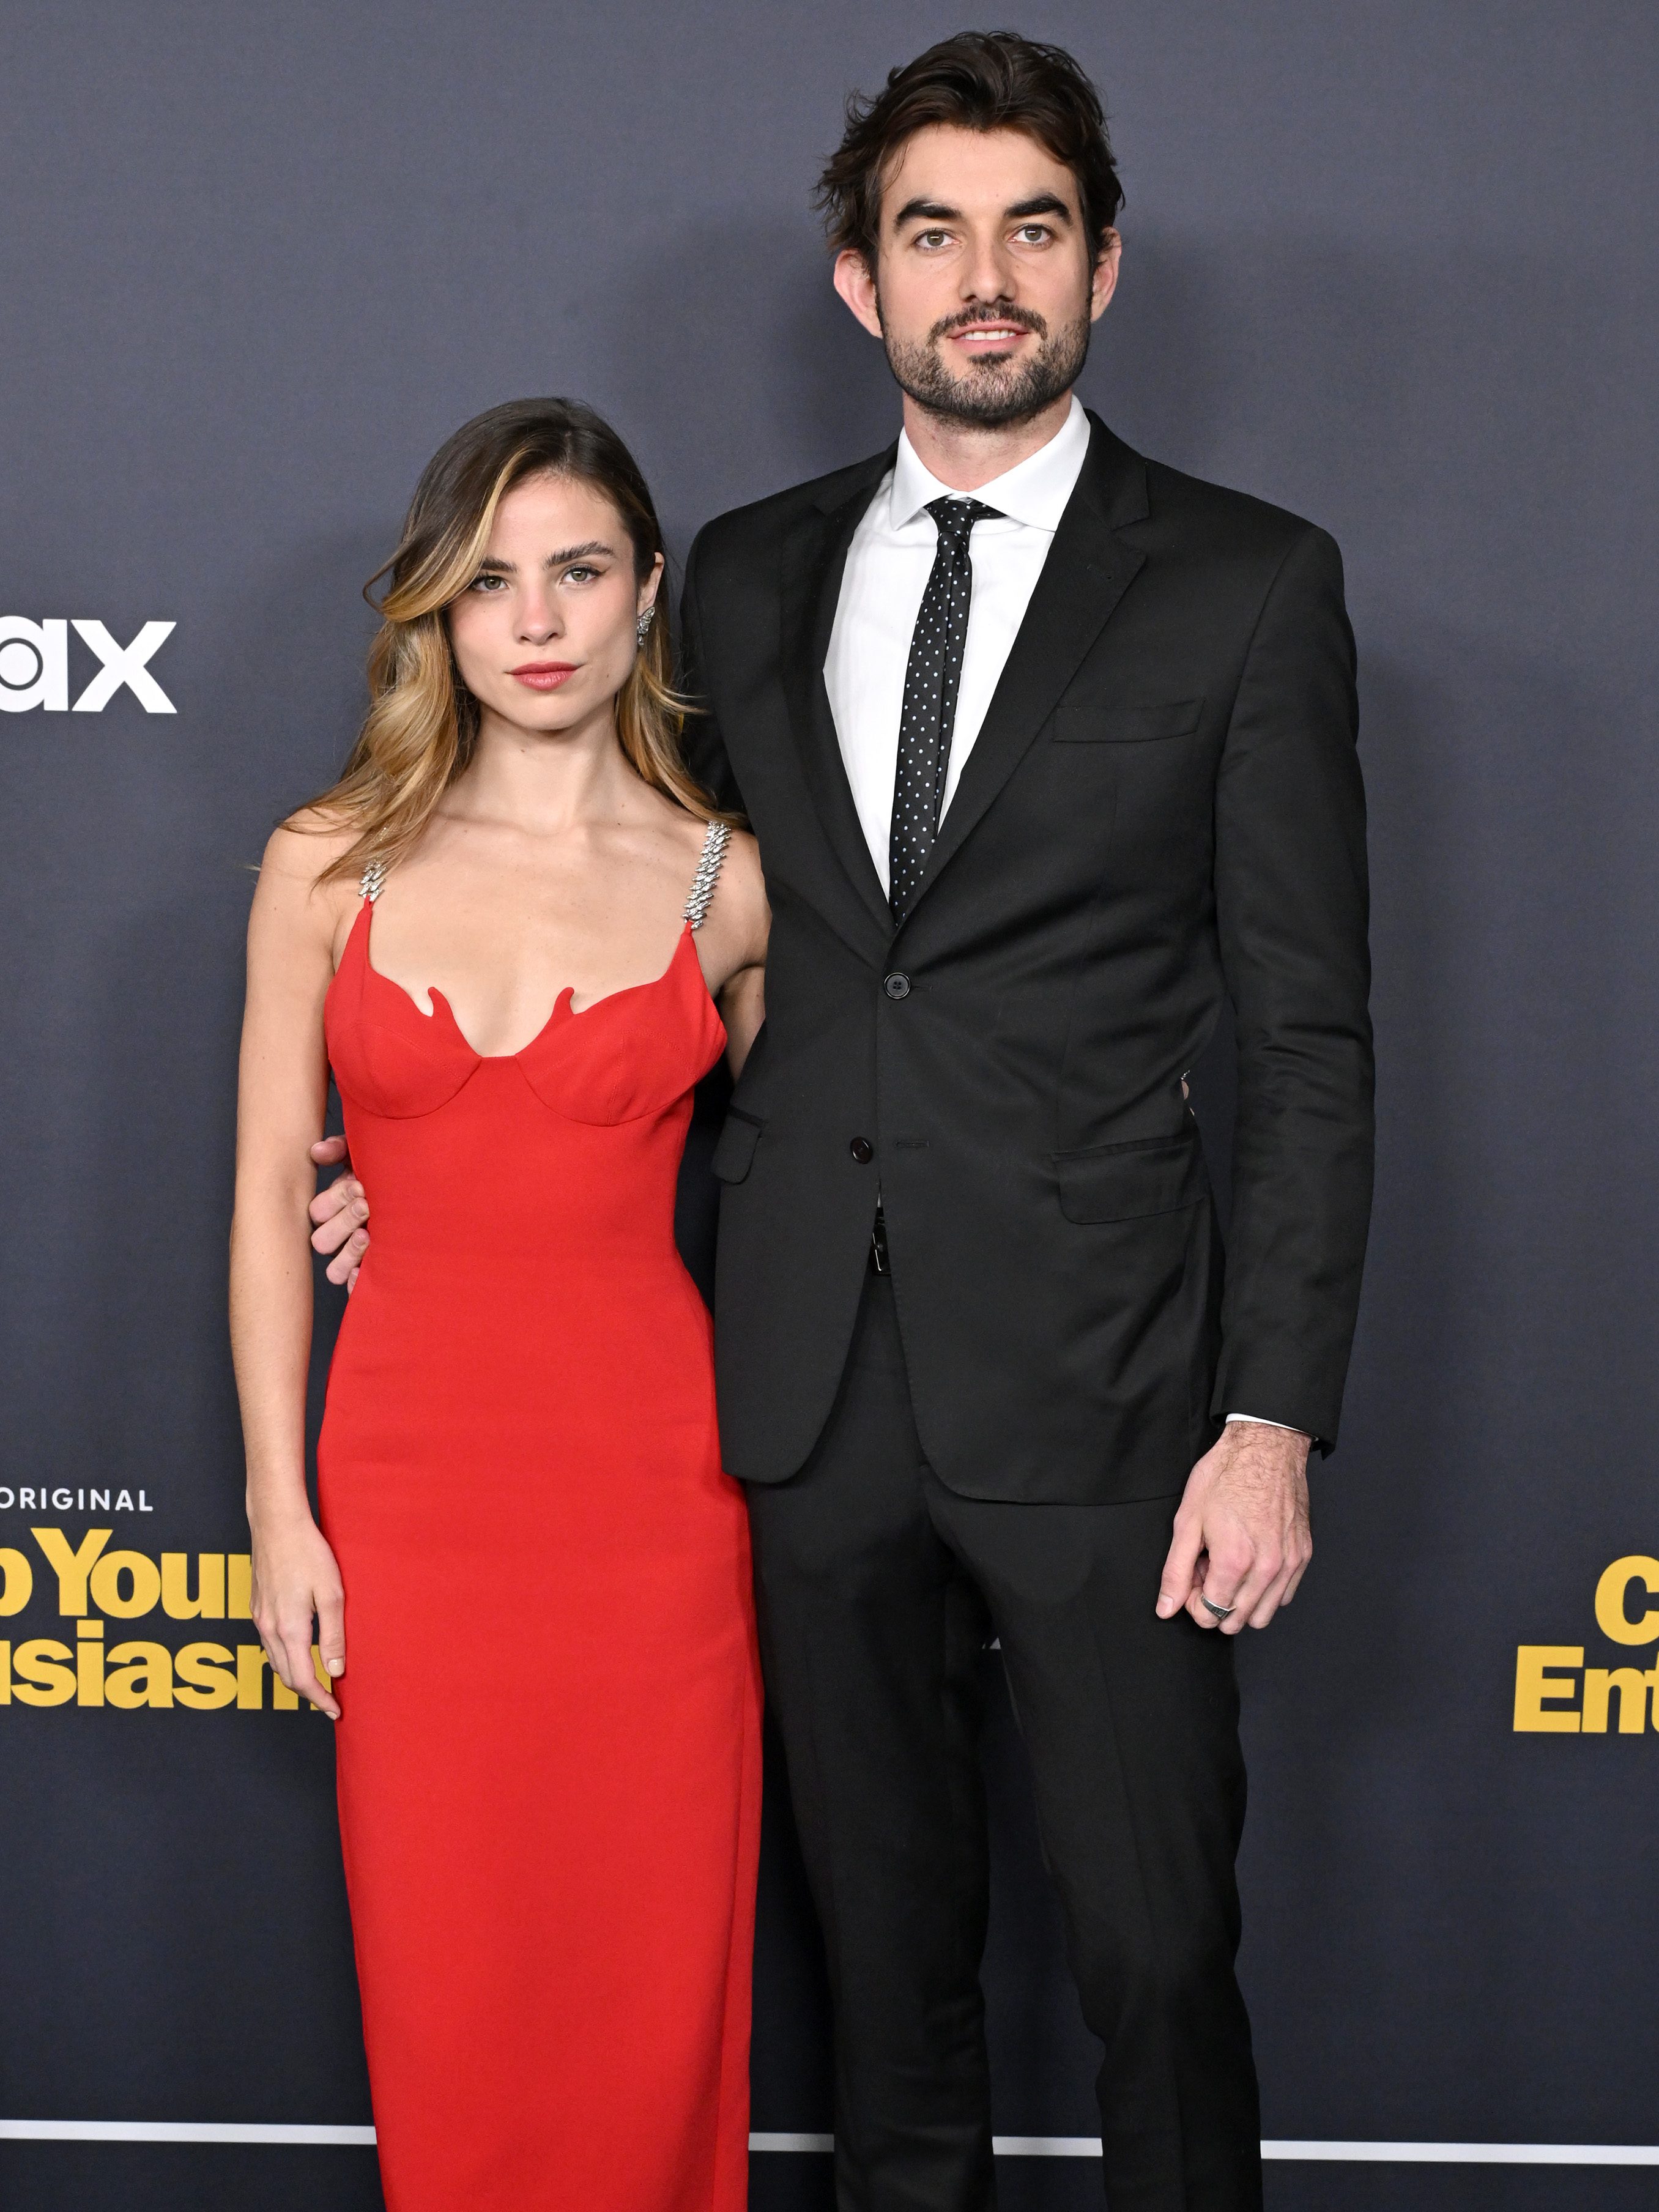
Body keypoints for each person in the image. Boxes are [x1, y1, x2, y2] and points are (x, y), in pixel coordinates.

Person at [317, 31, 1374, 2212]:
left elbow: (1310, 1039)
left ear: (1104, 272)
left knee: (1163, 1965)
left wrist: (1269, 1420)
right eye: (931, 233)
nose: (982, 278)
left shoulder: (1249, 582)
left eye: (1031, 232)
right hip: (790, 1405)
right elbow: (670, 954)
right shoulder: (744, 574)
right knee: (890, 1991)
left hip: (1115, 1408)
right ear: (856, 286)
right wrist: (465, 1178)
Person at [229, 398, 768, 2212]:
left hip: (657, 1515)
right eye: (491, 582)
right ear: (438, 614)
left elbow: (818, 1185)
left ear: (646, 597)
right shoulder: (329, 860)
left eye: (579, 572)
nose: (534, 621)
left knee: (649, 1999)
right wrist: (275, 1504)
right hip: (413, 1504)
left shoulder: (733, 886)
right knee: (452, 1996)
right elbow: (257, 1199)